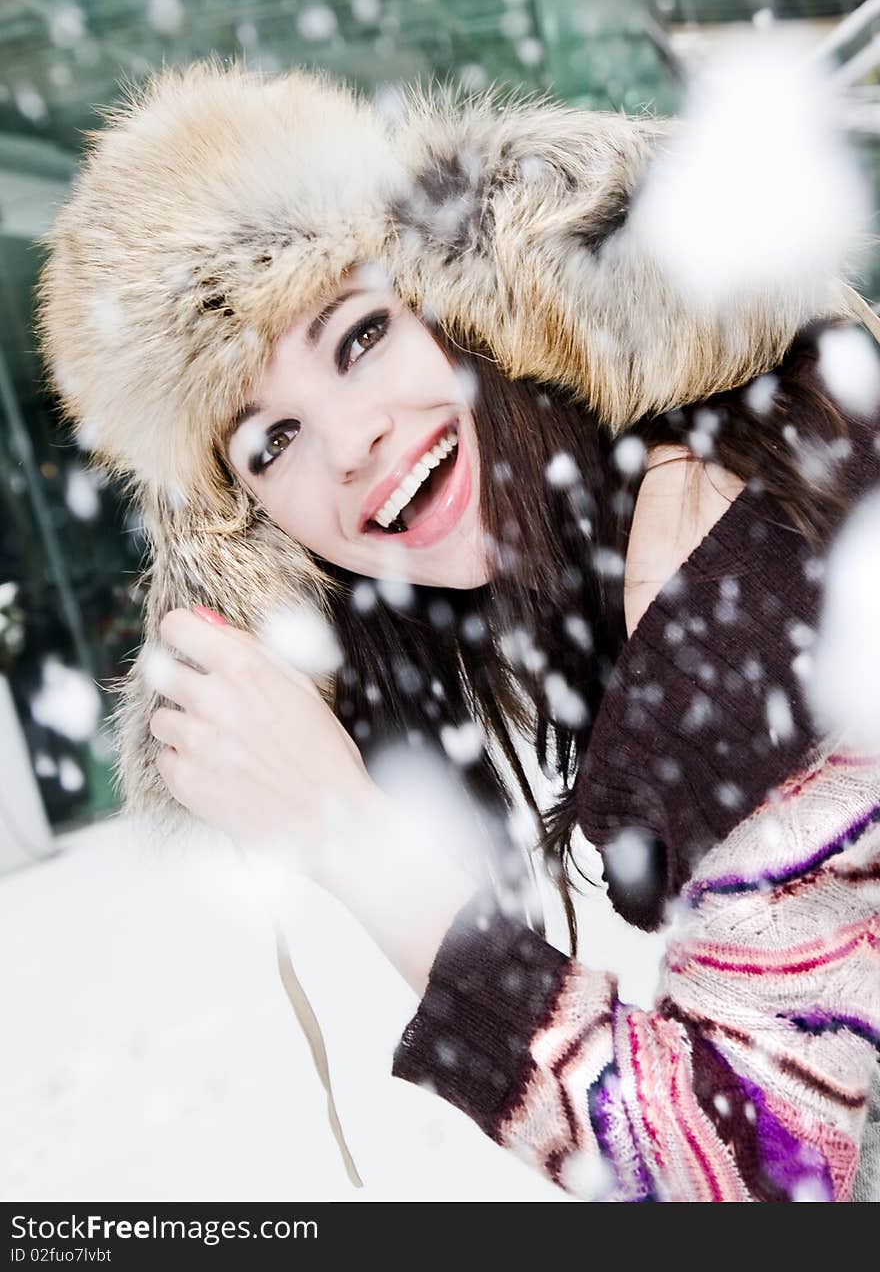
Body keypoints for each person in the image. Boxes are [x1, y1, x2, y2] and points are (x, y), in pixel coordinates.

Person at [37, 60, 880, 1202]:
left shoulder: (718, 545)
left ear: (471, 302)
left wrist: (351, 837)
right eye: (270, 442)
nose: (347, 441)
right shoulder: (678, 493)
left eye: (359, 337)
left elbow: (751, 1172)